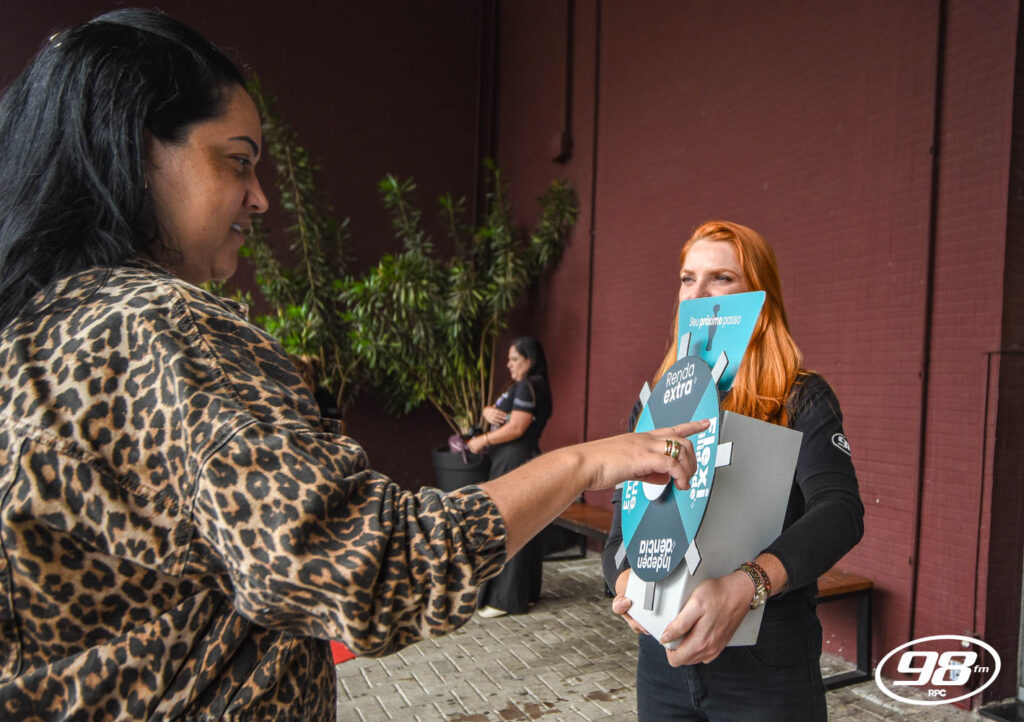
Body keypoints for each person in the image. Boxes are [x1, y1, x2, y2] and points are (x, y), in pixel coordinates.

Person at [0, 10, 706, 720]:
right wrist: (584, 462)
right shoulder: (169, 327)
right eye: (238, 160)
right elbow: (378, 570)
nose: (260, 196)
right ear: (133, 147)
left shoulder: (34, 333)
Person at [602, 221, 864, 721]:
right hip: (662, 661)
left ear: (760, 297)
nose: (697, 294)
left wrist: (749, 584)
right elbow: (621, 532)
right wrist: (625, 581)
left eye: (721, 278)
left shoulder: (799, 396)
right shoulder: (656, 405)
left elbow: (841, 511)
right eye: (687, 279)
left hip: (767, 662)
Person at [466, 337, 551, 617]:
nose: (509, 364)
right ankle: (523, 594)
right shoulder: (530, 386)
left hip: (514, 461)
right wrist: (487, 411)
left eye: (515, 359)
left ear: (530, 360)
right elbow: (504, 414)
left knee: (509, 523)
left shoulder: (527, 386)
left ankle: (505, 599)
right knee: (521, 523)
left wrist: (483, 440)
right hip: (517, 459)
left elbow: (516, 427)